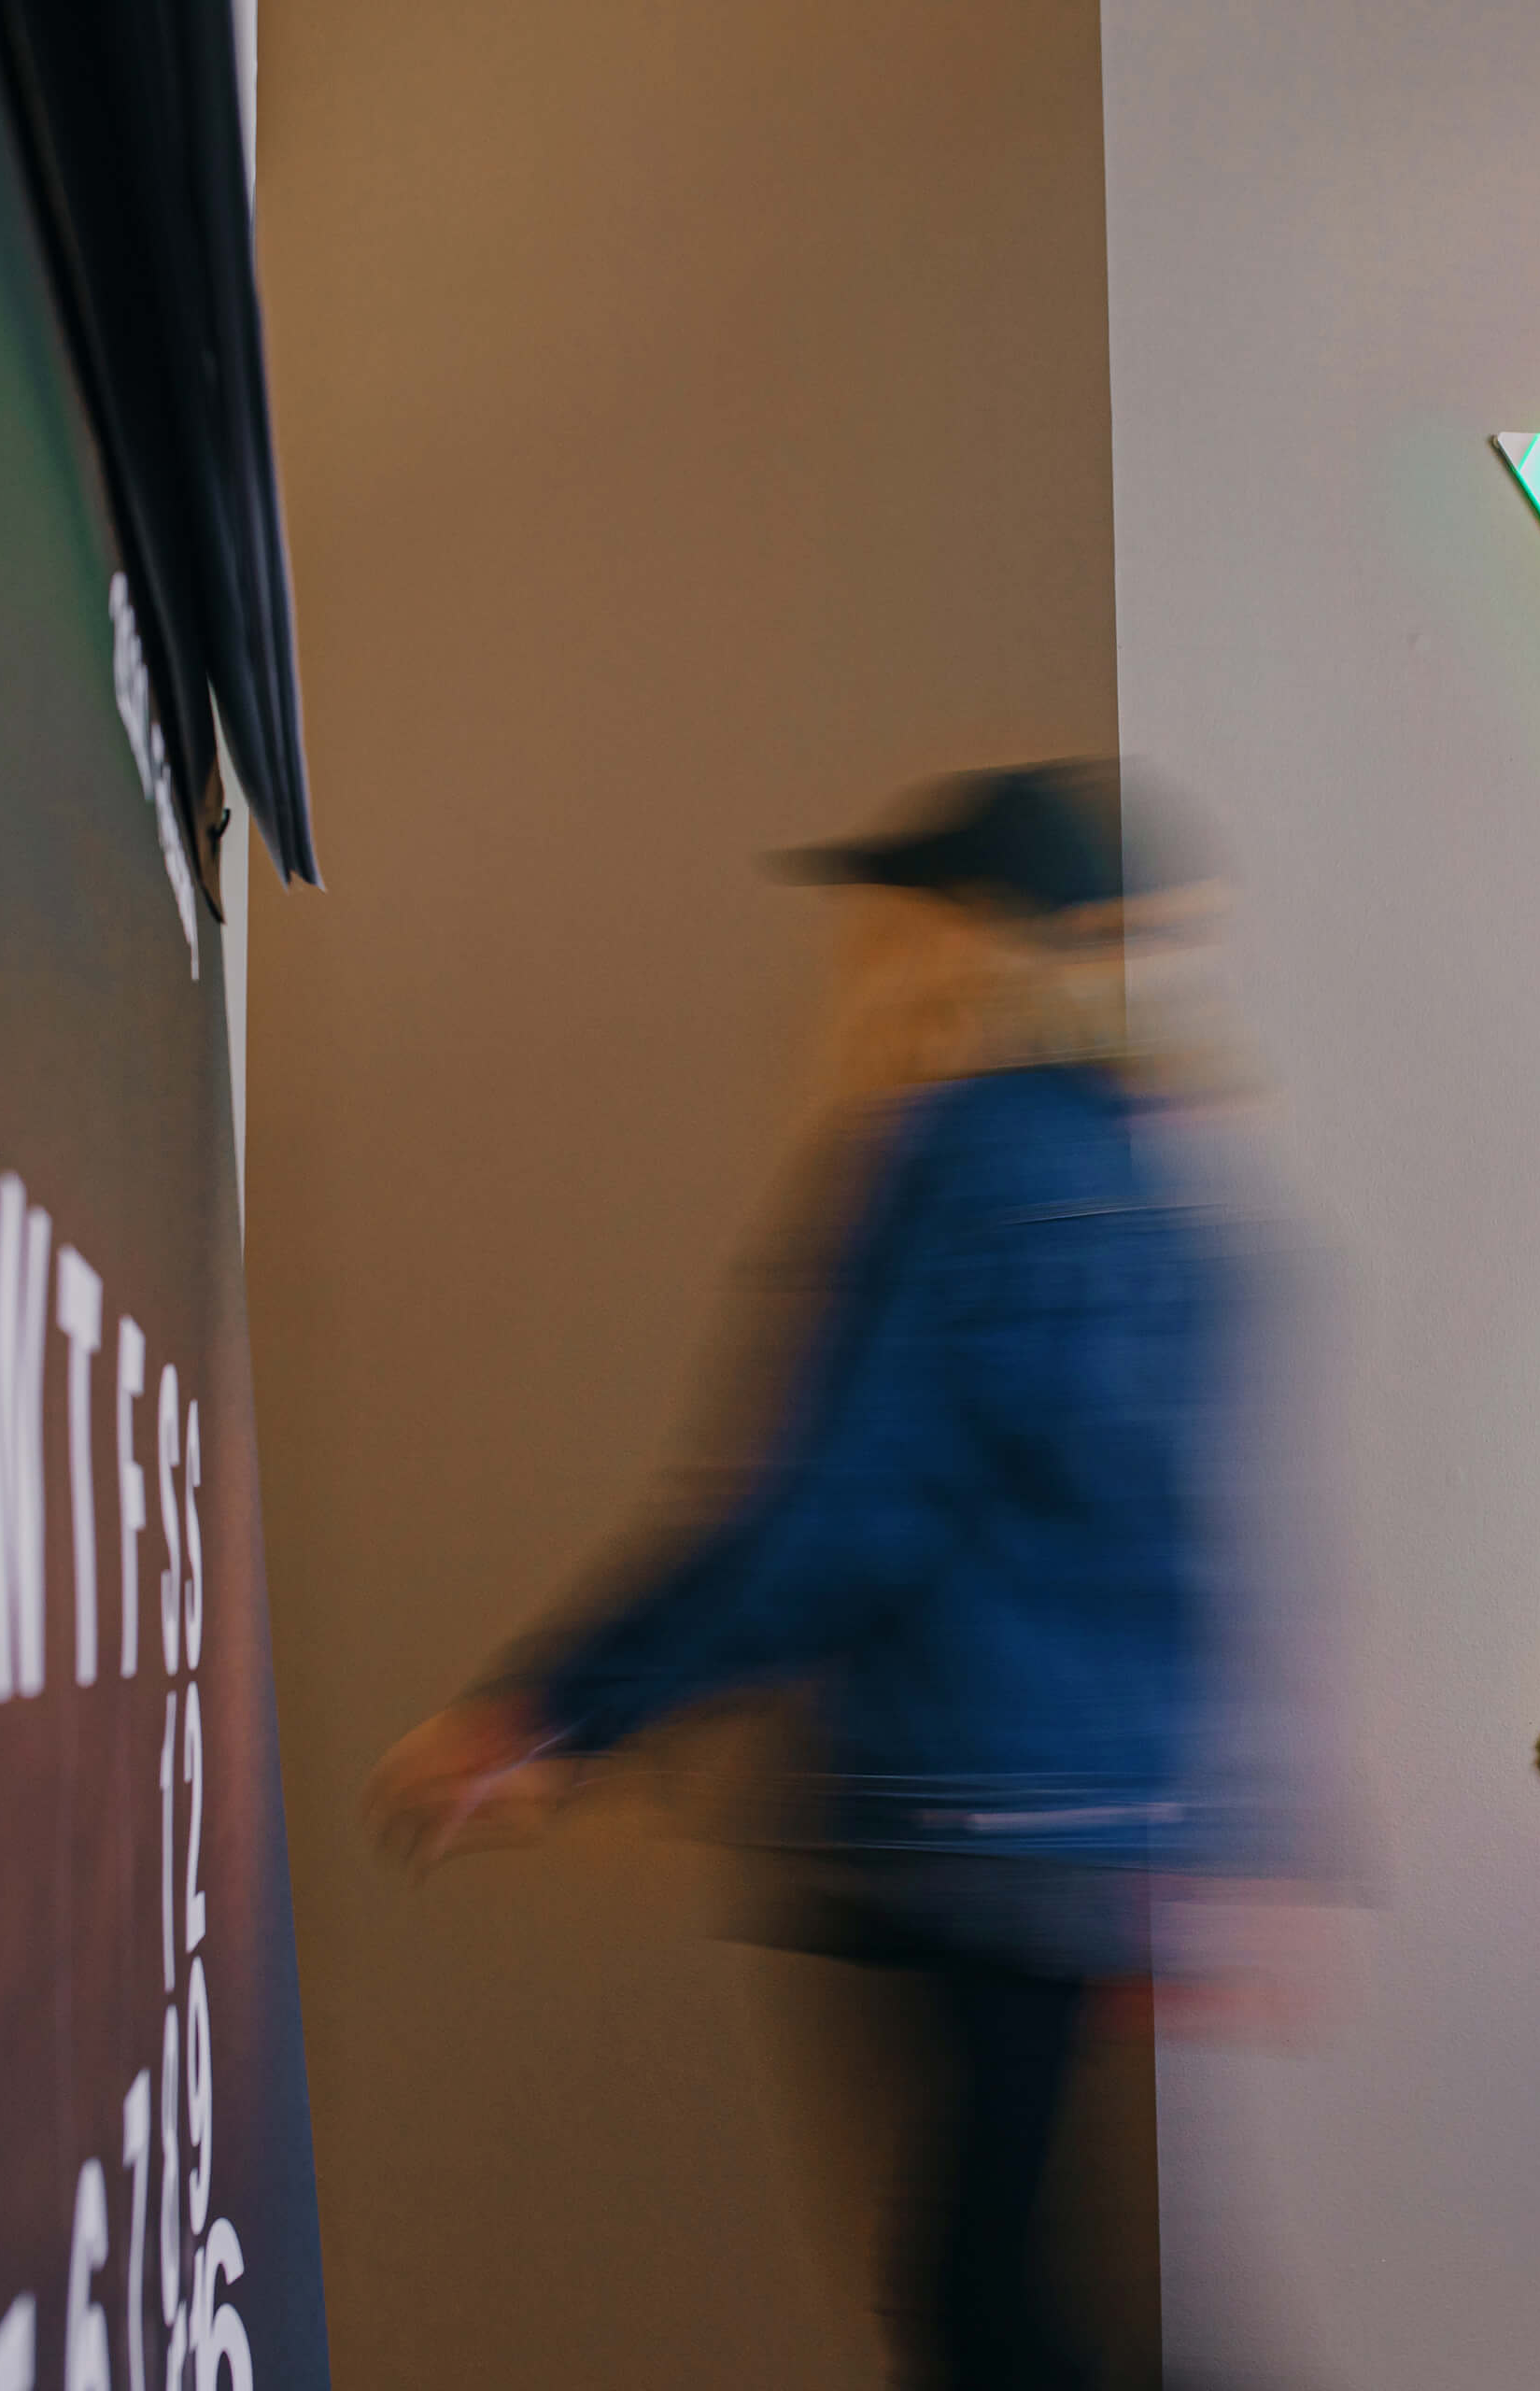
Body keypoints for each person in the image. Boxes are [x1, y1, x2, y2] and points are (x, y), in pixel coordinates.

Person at [366, 759, 1284, 2391]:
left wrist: (557, 1711)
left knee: (988, 2310)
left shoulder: (957, 1156)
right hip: (1086, 1836)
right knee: (1008, 2289)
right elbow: (1193, 1551)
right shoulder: (1166, 1187)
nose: (859, 966)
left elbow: (839, 1509)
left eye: (892, 925)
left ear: (968, 943)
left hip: (951, 1817)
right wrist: (1209, 1836)